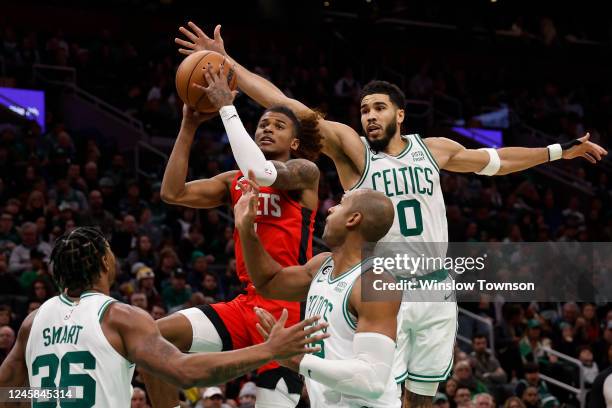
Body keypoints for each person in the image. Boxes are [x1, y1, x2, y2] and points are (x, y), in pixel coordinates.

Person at [175, 21, 608, 407]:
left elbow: (496, 160)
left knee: (422, 394)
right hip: (383, 290)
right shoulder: (353, 153)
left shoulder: (434, 149)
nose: (369, 116)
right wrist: (229, 63)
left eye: (378, 108)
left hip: (437, 290)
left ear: (400, 114)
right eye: (364, 110)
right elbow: (286, 102)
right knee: (376, 390)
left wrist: (558, 151)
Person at [147, 58, 322, 408]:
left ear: (296, 143)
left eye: (277, 126)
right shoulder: (234, 182)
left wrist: (228, 107)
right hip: (246, 304)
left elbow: (262, 171)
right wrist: (188, 126)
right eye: (262, 124)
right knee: (150, 341)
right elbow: (173, 193)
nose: (266, 129)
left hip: (288, 312)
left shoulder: (304, 173)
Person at [0, 227, 327, 406]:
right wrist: (268, 350)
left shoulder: (32, 322)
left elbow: (7, 392)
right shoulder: (120, 317)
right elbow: (185, 372)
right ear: (104, 263)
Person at [237, 178, 401, 407]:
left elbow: (372, 380)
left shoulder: (374, 282)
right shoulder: (322, 265)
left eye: (341, 204)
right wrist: (247, 228)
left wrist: (295, 359)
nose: (331, 208)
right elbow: (268, 282)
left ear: (354, 219)